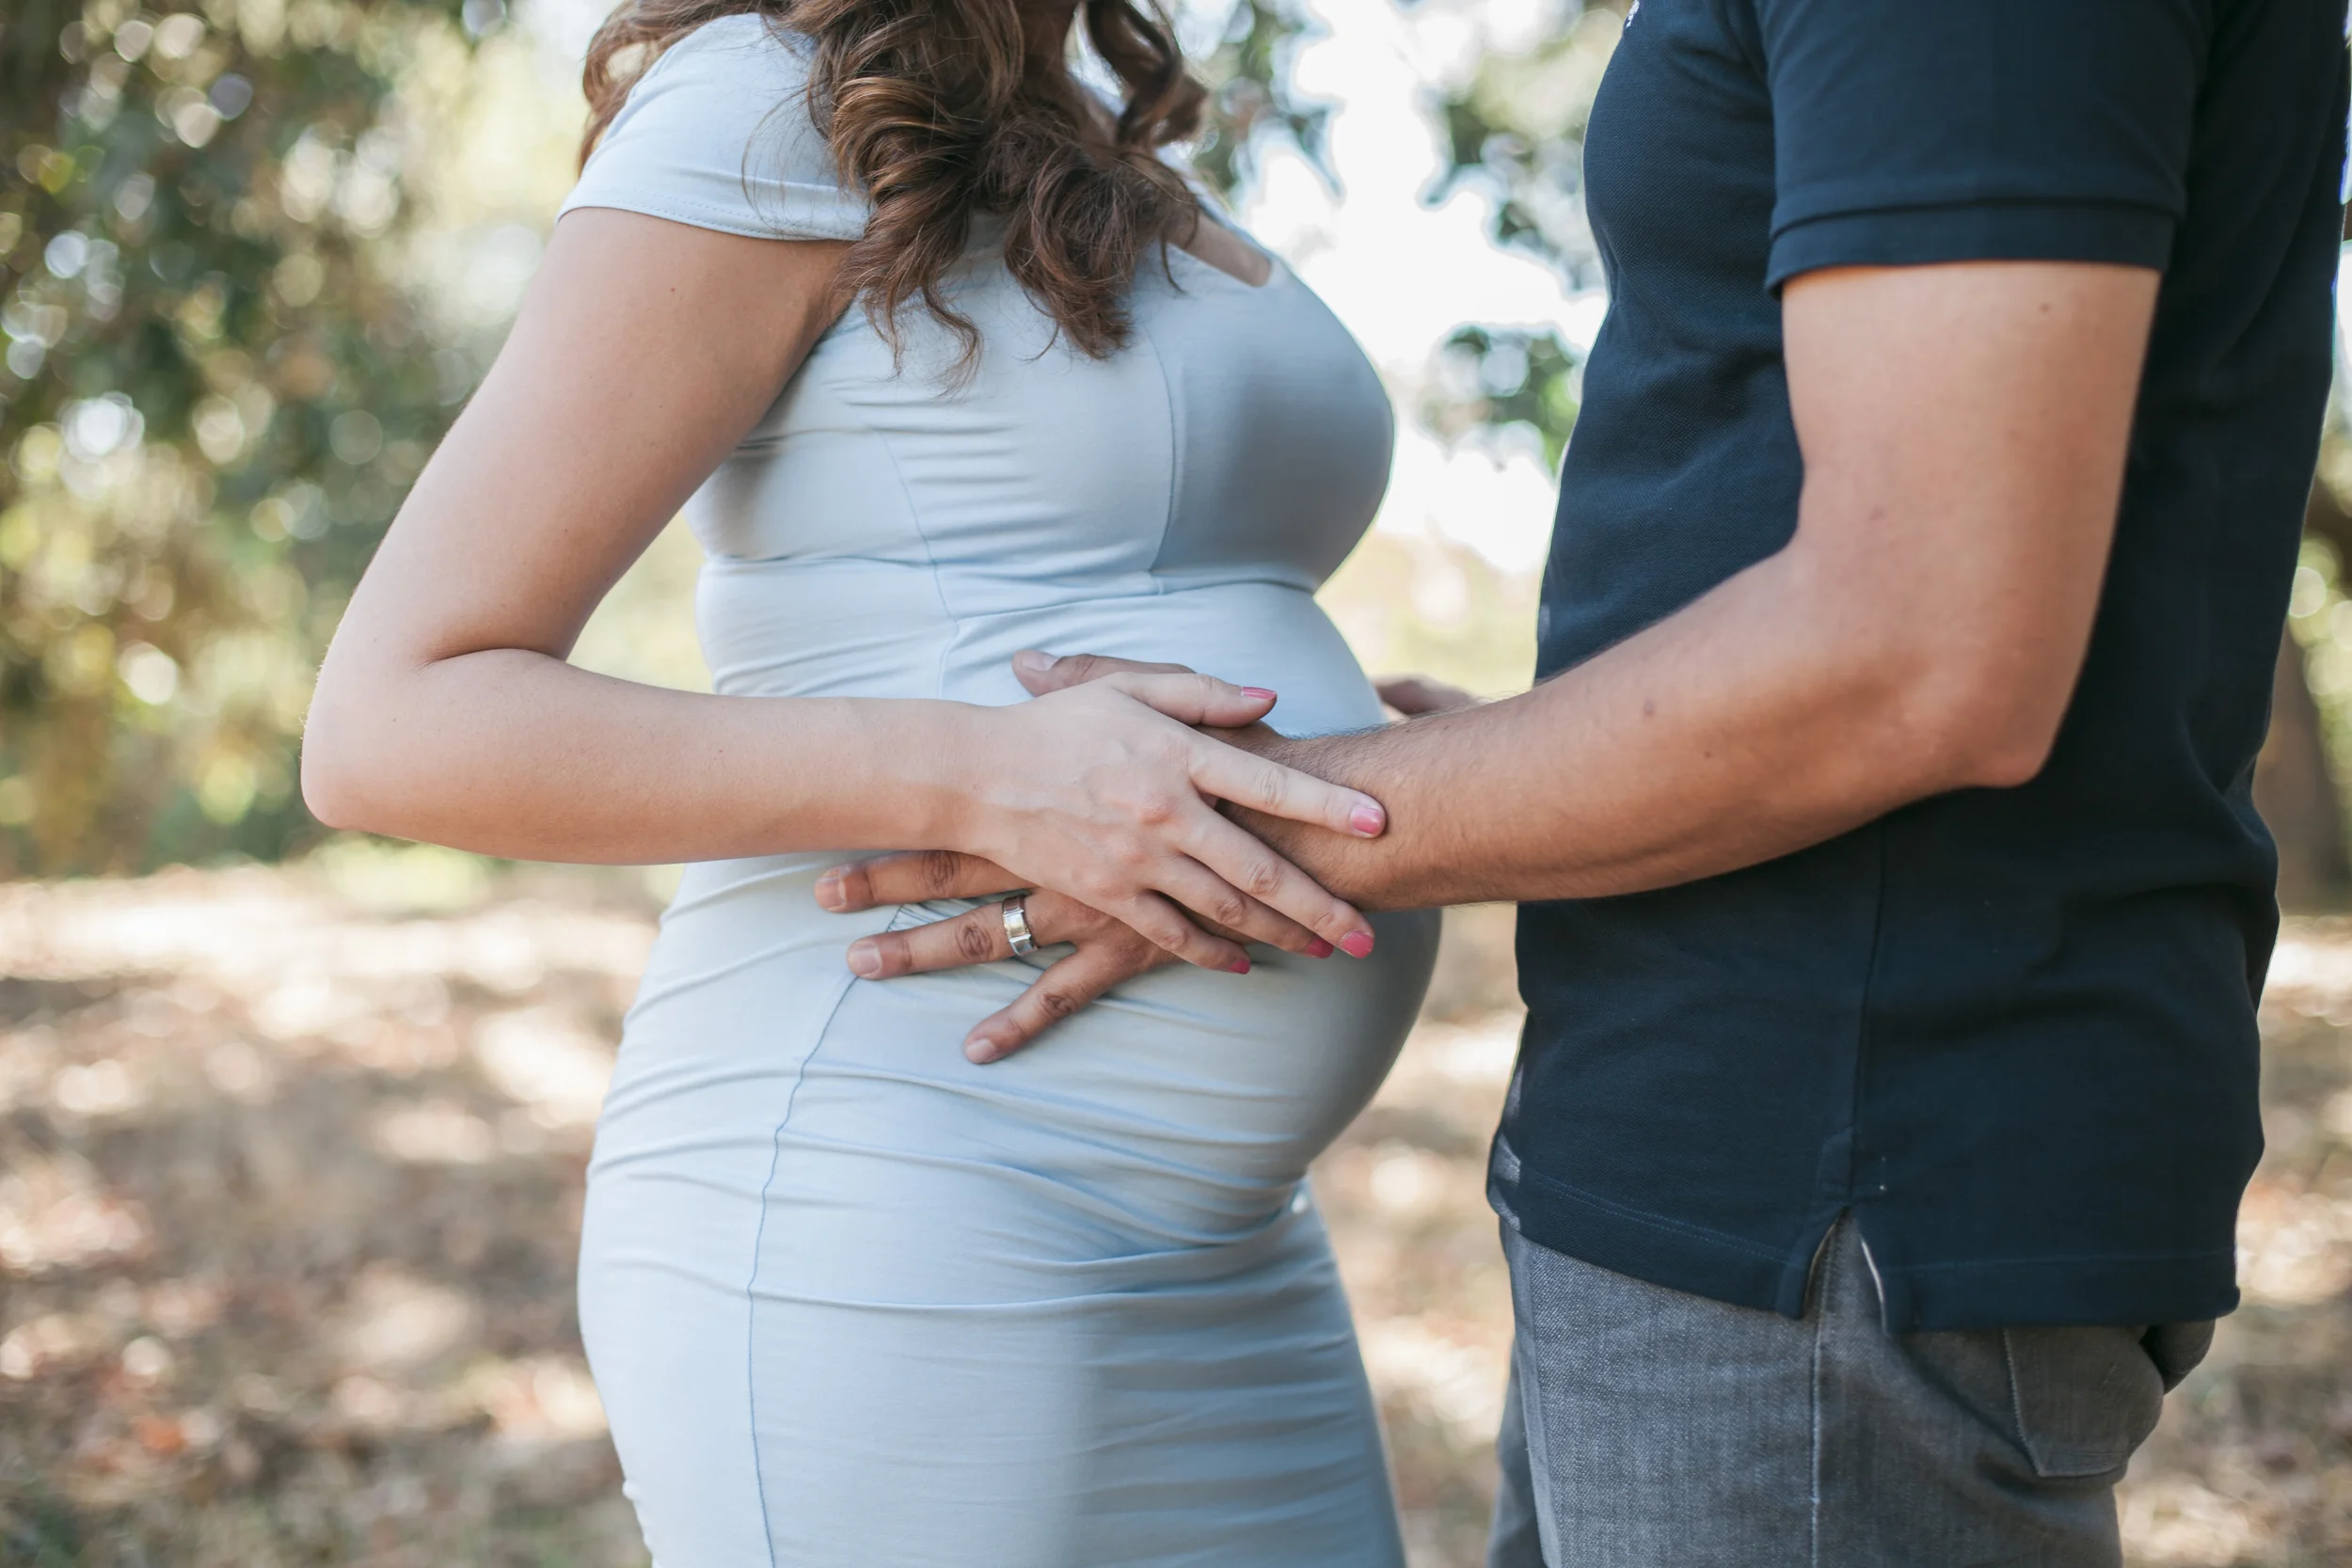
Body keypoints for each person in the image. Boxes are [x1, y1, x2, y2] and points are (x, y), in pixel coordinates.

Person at [820, 1, 2352, 1562]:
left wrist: (1224, 819)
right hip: (1748, 1169)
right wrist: (1521, 749)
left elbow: (1924, 650)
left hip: (1833, 1177)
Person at [299, 0, 1452, 1561]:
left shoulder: (1089, 129)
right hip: (894, 1186)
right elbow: (391, 721)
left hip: (1224, 1238)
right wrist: (987, 777)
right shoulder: (773, 106)